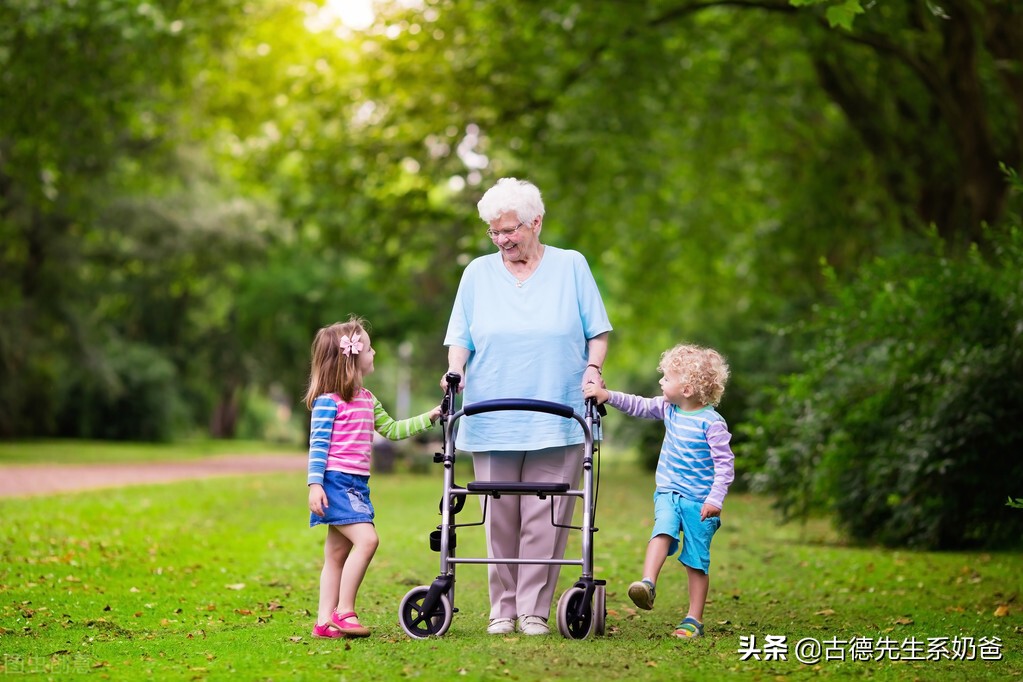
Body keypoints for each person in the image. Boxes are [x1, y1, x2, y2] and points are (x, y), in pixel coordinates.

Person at [442, 177, 612, 636]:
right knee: (500, 515)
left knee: (547, 515)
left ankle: (534, 608)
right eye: (494, 232)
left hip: (559, 411)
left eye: (510, 230)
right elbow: (460, 337)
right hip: (492, 411)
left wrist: (593, 370)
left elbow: (597, 331)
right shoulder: (477, 273)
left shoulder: (571, 266)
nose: (502, 240)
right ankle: (502, 608)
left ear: (536, 222)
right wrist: (454, 372)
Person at [583, 343, 734, 639]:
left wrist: (715, 498)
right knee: (662, 530)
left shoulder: (711, 423)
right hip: (668, 492)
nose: (661, 382)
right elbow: (637, 404)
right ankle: (648, 583)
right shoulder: (669, 409)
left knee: (696, 561)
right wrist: (607, 396)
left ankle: (693, 618)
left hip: (700, 503)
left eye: (666, 378)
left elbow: (725, 465)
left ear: (687, 388)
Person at [305, 316, 441, 639]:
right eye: (368, 347)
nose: (375, 352)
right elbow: (318, 446)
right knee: (368, 540)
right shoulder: (328, 402)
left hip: (357, 485)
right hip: (336, 483)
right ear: (351, 357)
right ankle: (344, 611)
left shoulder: (368, 400)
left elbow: (392, 430)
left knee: (336, 554)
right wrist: (314, 485)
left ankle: (324, 623)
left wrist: (429, 417)